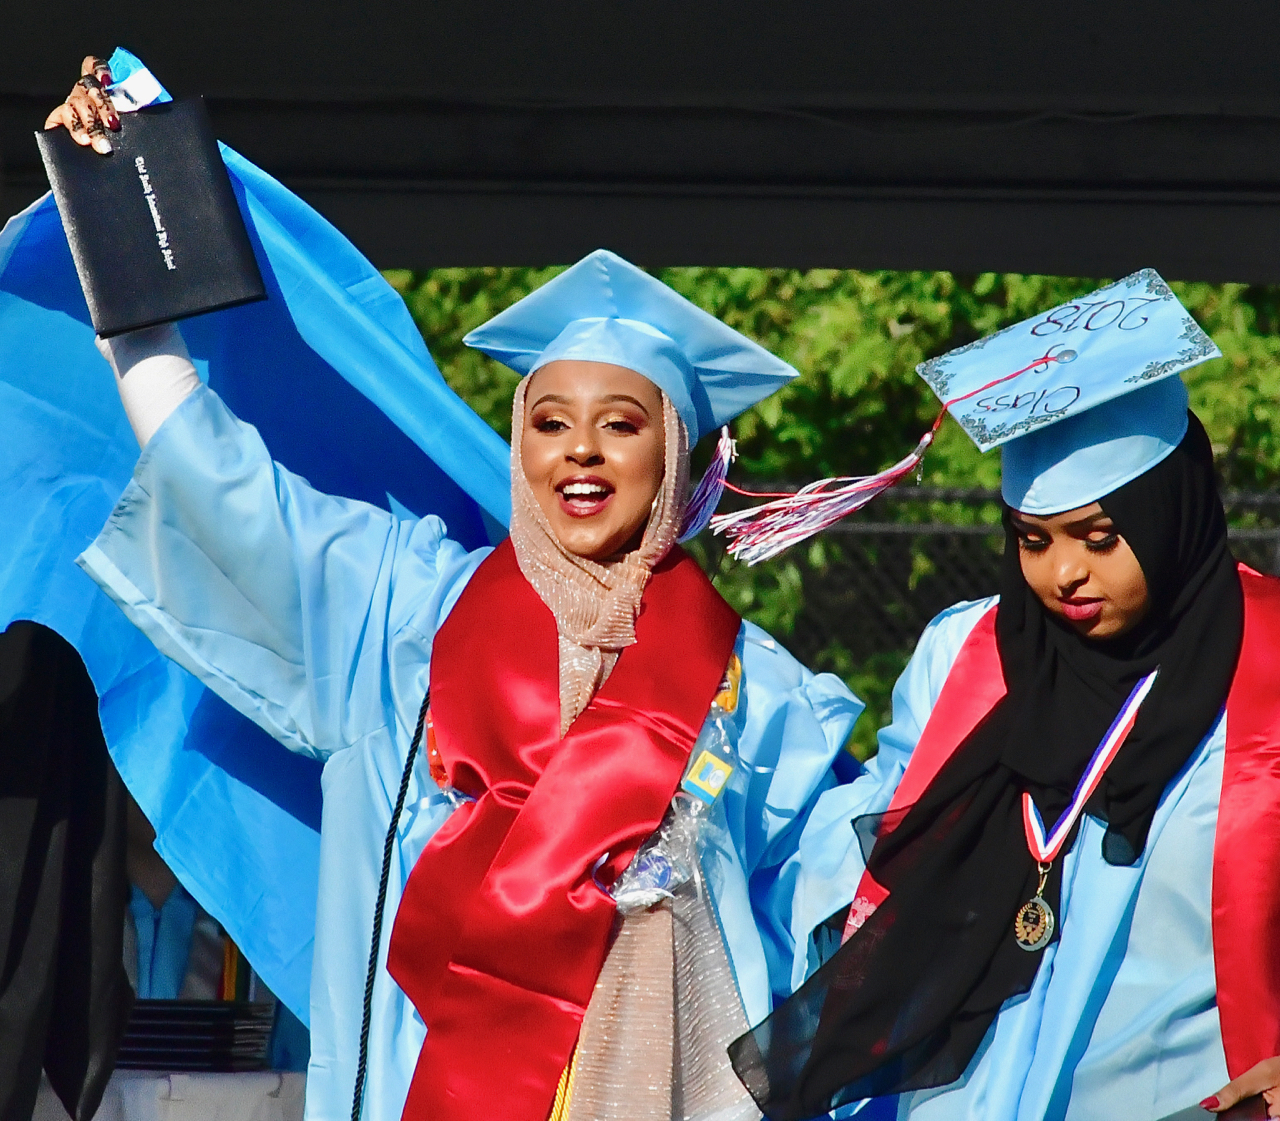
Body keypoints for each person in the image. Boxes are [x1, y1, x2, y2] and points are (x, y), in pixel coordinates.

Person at [46, 58, 863, 1121]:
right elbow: (223, 489)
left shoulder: (764, 695)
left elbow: (848, 923)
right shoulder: (401, 607)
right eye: (548, 420)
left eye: (621, 423)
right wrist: (120, 219)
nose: (579, 452)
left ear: (676, 459)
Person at [726, 277, 1280, 1120]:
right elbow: (874, 837)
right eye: (1032, 539)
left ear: (1171, 510)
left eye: (1101, 536)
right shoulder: (970, 653)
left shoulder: (1267, 665)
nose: (1064, 574)